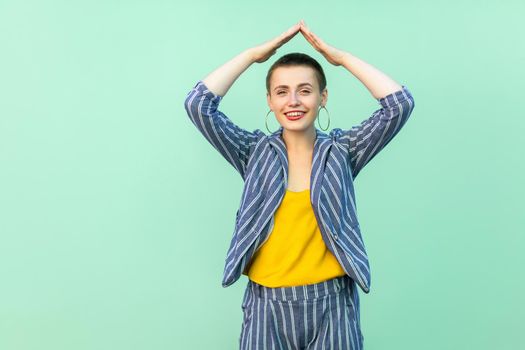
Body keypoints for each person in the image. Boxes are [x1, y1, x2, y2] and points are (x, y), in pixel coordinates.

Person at [184, 19, 415, 350]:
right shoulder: (253, 152)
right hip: (266, 305)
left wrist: (341, 58)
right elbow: (198, 105)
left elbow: (399, 104)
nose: (293, 101)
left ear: (323, 97)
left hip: (333, 304)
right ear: (270, 101)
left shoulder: (342, 151)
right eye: (282, 92)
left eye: (305, 90)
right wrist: (251, 56)